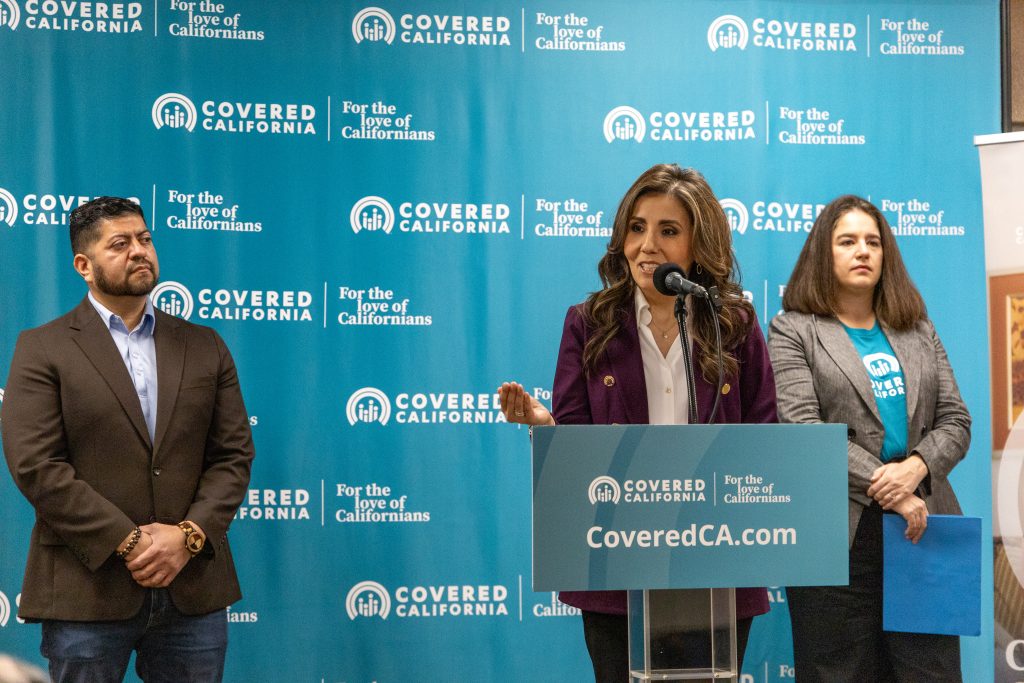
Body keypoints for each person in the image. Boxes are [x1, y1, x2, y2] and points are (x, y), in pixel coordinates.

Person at [499, 164, 777, 682]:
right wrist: (547, 427)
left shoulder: (734, 323)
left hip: (714, 560)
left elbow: (763, 438)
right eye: (637, 227)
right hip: (616, 566)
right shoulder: (589, 323)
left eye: (668, 231)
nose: (647, 246)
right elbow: (579, 453)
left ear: (700, 243)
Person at [1, 196, 255, 683]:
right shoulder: (43, 348)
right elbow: (36, 465)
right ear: (84, 265)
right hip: (86, 591)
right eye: (120, 244)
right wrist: (130, 541)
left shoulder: (205, 345)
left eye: (145, 239)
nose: (139, 251)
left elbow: (233, 455)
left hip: (193, 588)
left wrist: (188, 536)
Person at [767, 195, 970, 682]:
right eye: (847, 241)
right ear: (824, 253)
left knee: (932, 673)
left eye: (873, 242)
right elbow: (801, 428)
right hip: (836, 535)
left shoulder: (918, 329)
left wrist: (916, 469)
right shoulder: (793, 329)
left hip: (923, 527)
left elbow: (956, 421)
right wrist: (890, 488)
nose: (863, 251)